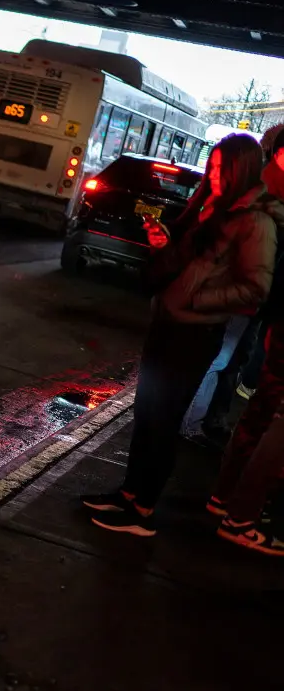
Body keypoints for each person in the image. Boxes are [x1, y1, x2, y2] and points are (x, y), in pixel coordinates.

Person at [82, 133, 282, 536]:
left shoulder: (255, 220)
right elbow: (191, 261)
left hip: (196, 331)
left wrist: (196, 299)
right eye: (212, 165)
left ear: (242, 169)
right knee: (146, 415)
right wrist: (164, 242)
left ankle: (143, 511)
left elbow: (254, 289)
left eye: (222, 168)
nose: (214, 174)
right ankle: (130, 494)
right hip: (168, 323)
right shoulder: (211, 205)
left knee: (163, 420)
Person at [209, 125, 284, 555]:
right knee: (271, 413)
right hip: (274, 318)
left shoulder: (264, 197)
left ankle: (228, 500)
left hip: (273, 316)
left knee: (262, 409)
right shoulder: (266, 200)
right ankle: (239, 513)